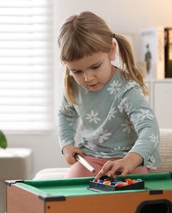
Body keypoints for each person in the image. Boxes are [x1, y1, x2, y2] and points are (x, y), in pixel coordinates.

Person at [57, 11, 160, 180]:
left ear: (112, 51)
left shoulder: (127, 89)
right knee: (72, 188)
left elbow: (150, 129)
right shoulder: (74, 86)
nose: (87, 78)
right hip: (91, 159)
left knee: (135, 190)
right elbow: (65, 114)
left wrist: (131, 160)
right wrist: (66, 144)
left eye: (95, 67)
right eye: (76, 71)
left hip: (127, 160)